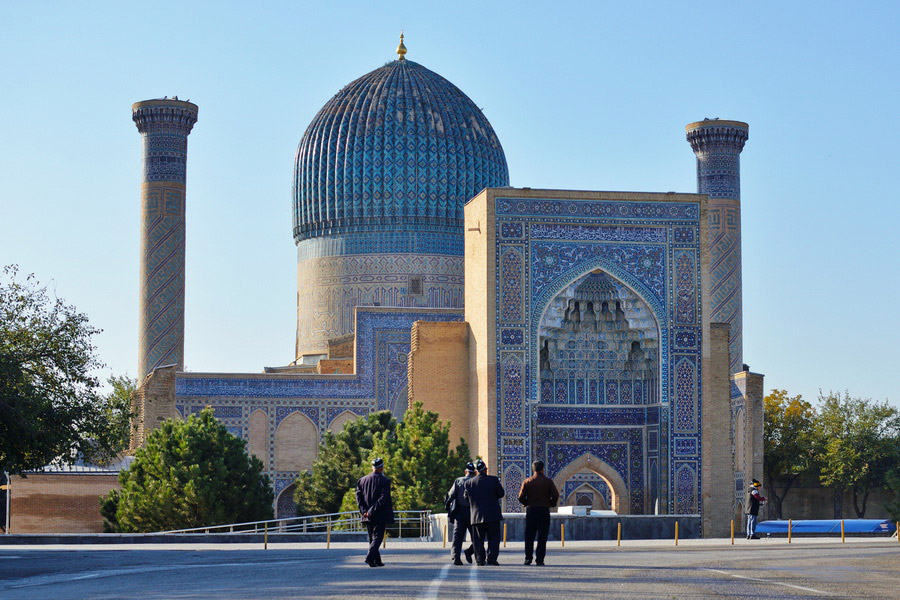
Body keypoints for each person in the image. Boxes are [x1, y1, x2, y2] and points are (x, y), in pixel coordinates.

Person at [517, 460, 559, 565]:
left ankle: (528, 558)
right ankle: (540, 560)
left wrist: (526, 503)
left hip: (531, 510)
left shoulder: (528, 481)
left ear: (533, 469)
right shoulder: (548, 481)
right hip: (544, 510)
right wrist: (551, 503)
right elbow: (556, 495)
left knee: (529, 536)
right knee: (542, 536)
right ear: (542, 469)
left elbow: (520, 497)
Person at [463, 459, 505, 566]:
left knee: (478, 540)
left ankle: (480, 560)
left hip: (477, 516)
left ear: (476, 471)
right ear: (486, 469)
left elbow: (466, 498)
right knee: (494, 539)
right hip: (493, 515)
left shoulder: (469, 483)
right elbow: (501, 494)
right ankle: (491, 558)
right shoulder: (494, 480)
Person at [356, 457, 394, 566]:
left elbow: (359, 498)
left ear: (372, 467)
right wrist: (371, 511)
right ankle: (369, 557)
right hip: (379, 514)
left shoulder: (362, 480)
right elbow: (383, 498)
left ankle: (376, 561)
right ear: (381, 468)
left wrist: (364, 511)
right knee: (378, 538)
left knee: (372, 538)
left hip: (366, 515)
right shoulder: (385, 481)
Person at [446, 461, 477, 565]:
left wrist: (448, 507)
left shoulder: (459, 481)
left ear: (465, 471)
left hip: (460, 512)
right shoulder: (476, 481)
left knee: (458, 536)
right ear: (475, 472)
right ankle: (477, 556)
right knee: (476, 536)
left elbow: (451, 495)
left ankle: (456, 557)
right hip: (474, 512)